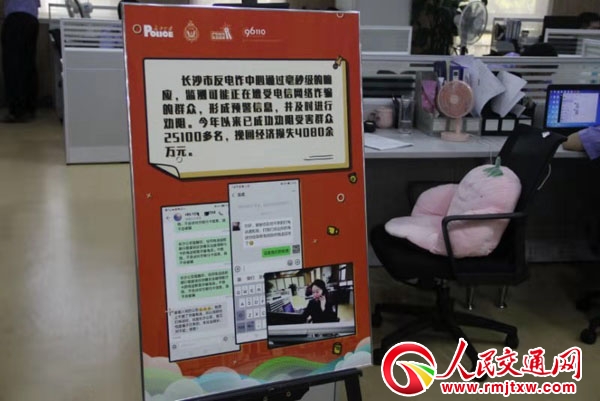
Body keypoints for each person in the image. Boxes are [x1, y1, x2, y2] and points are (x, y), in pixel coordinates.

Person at [1, 0, 40, 123]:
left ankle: (17, 111)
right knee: (28, 63)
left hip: (16, 18)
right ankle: (29, 108)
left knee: (13, 65)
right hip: (32, 19)